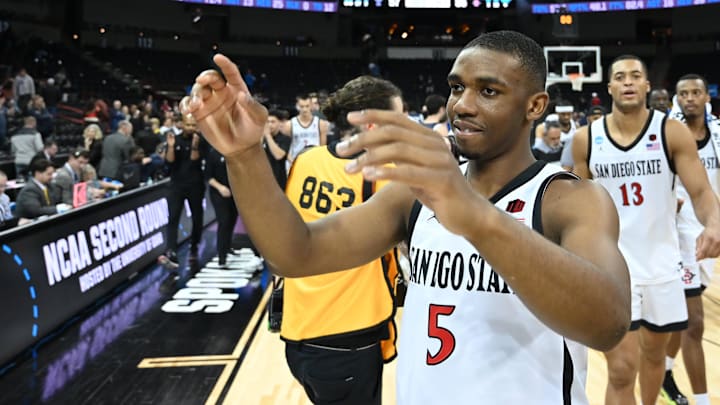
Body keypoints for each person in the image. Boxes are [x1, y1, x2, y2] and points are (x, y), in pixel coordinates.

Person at [182, 30, 631, 403]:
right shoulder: (411, 195)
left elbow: (607, 323)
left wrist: (474, 215)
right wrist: (244, 156)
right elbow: (294, 254)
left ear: (535, 106)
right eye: (457, 87)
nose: (463, 105)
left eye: (488, 91)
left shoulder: (568, 199)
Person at [571, 55, 720, 405]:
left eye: (635, 75)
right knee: (622, 369)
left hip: (662, 265)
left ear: (647, 85)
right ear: (608, 87)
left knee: (654, 358)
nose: (627, 82)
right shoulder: (586, 139)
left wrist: (714, 222)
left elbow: (700, 192)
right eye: (620, 77)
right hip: (612, 269)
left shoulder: (670, 131)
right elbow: (576, 206)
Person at [281, 76, 403, 405]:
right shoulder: (384, 172)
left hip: (300, 330)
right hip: (349, 334)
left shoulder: (305, 161)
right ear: (375, 124)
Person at [661, 74, 718, 405]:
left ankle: (664, 371)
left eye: (697, 92)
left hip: (709, 232)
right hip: (679, 235)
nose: (691, 98)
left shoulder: (718, 136)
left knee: (680, 321)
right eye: (684, 94)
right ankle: (702, 400)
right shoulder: (668, 138)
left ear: (706, 97)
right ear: (677, 99)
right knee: (694, 322)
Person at [161, 113, 207, 267]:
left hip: (195, 184)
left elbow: (195, 160)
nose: (191, 128)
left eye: (194, 125)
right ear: (182, 124)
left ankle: (194, 245)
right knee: (173, 217)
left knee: (197, 217)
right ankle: (171, 251)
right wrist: (171, 146)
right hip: (177, 185)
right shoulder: (175, 139)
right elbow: (170, 161)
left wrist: (195, 144)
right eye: (188, 125)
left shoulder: (201, 140)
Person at [205, 145, 237, 268]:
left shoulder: (236, 152)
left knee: (232, 219)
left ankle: (228, 247)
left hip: (235, 192)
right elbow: (208, 176)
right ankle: (222, 256)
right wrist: (220, 187)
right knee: (224, 221)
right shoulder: (213, 153)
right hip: (218, 192)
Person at [283, 94, 329, 170]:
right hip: (295, 161)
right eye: (302, 106)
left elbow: (322, 147)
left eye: (307, 106)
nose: (304, 109)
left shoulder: (320, 124)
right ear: (297, 106)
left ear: (311, 105)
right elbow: (285, 148)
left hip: (314, 162)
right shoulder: (289, 124)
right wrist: (291, 161)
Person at [560, 105, 606, 171]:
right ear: (588, 119)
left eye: (602, 119)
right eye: (595, 119)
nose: (599, 122)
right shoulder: (576, 138)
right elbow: (566, 168)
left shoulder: (614, 138)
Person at [263, 109, 291, 189]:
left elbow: (279, 156)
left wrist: (268, 136)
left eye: (273, 122)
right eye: (267, 122)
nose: (270, 125)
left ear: (279, 123)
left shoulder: (285, 139)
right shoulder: (260, 138)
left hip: (278, 182)